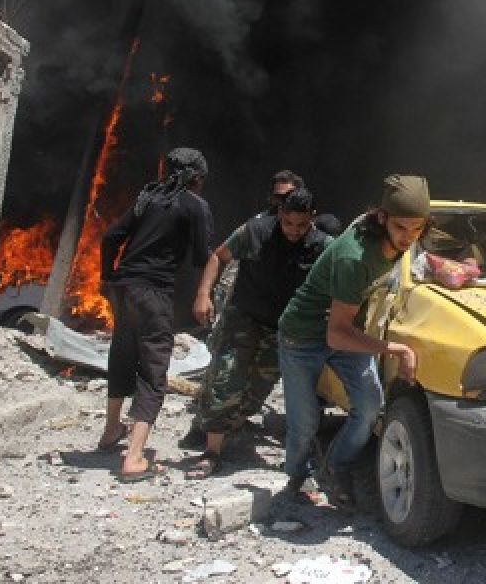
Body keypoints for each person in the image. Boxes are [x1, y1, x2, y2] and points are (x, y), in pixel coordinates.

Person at [277, 174, 426, 505]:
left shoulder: (402, 240)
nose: (409, 238)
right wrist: (395, 348)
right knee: (304, 423)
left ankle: (336, 465)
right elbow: (336, 334)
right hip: (303, 337)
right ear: (383, 218)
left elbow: (427, 260)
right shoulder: (353, 257)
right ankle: (297, 478)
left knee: (371, 408)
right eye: (402, 228)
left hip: (347, 333)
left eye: (417, 230)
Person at [183, 188, 333, 477]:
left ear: (312, 219)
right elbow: (219, 257)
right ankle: (212, 451)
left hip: (282, 326)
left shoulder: (323, 245)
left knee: (258, 389)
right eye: (289, 223)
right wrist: (203, 293)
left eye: (302, 225)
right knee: (227, 378)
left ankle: (230, 424)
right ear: (280, 215)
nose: (294, 231)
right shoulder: (255, 231)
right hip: (244, 316)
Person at [97, 148, 213, 482]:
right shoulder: (195, 205)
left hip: (124, 288)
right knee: (153, 369)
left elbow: (110, 237)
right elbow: (201, 257)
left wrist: (107, 277)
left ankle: (110, 431)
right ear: (197, 178)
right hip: (153, 293)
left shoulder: (146, 199)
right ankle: (133, 457)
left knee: (122, 354)